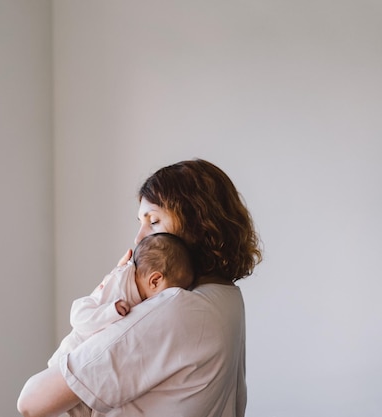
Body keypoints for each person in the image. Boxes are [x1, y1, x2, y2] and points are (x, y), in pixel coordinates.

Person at [17, 159, 262, 417]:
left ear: (197, 225)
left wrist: (103, 299)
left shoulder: (177, 308)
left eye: (153, 221)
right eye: (140, 222)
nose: (139, 238)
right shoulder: (226, 297)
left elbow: (32, 401)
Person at [48, 233, 195, 417]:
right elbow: (78, 314)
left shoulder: (138, 293)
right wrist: (111, 311)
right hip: (69, 362)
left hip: (88, 374)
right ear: (155, 281)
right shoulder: (119, 286)